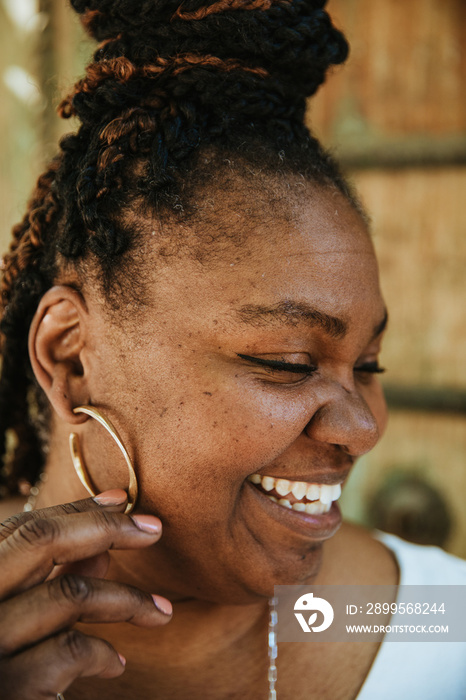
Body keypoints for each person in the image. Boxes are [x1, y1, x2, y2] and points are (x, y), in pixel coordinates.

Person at [0, 1, 465, 698]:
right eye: (288, 364)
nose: (364, 428)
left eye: (368, 367)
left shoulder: (430, 622)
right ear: (70, 358)